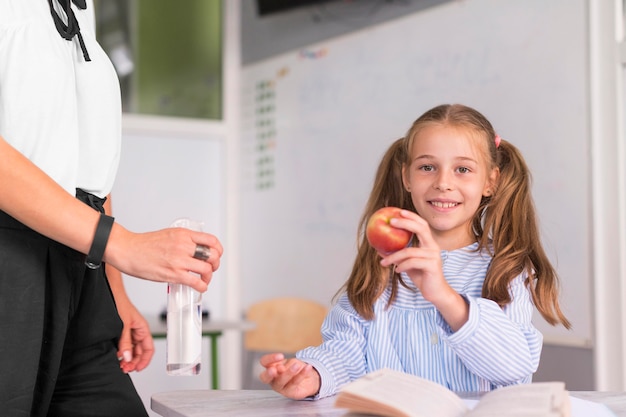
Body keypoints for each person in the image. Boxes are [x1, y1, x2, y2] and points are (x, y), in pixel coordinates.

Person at [0, 1, 223, 416]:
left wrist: (115, 290)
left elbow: (87, 170)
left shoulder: (82, 11)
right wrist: (121, 245)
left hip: (81, 269)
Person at [259, 103, 570, 400]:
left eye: (462, 169)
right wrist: (313, 376)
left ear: (490, 182)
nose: (443, 183)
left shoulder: (508, 267)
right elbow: (346, 351)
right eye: (427, 167)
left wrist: (446, 298)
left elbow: (513, 368)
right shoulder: (381, 266)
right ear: (407, 177)